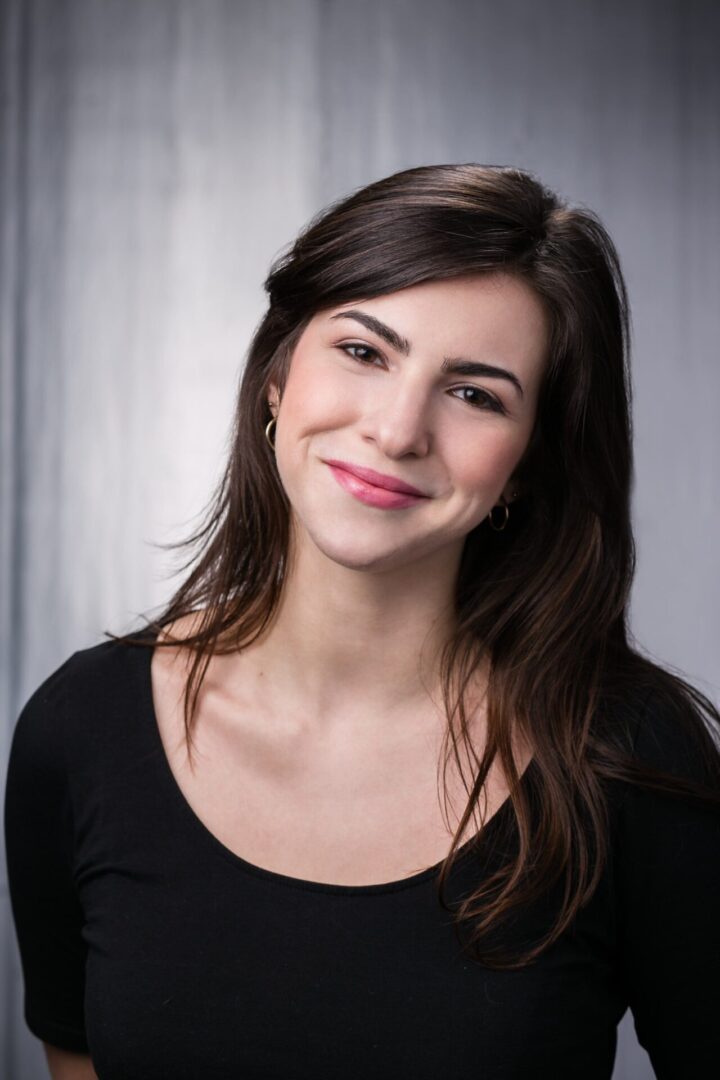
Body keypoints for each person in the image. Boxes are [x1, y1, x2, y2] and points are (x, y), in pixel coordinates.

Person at [4, 163, 720, 1080]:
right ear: (276, 376)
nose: (396, 429)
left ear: (531, 465)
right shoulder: (81, 729)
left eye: (475, 394)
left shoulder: (629, 755)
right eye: (363, 351)